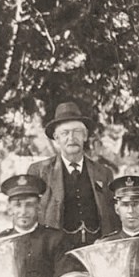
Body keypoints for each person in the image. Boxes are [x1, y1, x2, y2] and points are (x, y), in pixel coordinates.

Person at [28, 102, 119, 246]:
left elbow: (112, 216)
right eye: (65, 133)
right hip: (56, 251)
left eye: (77, 132)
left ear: (85, 136)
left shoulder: (103, 173)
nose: (71, 138)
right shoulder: (40, 171)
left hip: (95, 248)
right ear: (56, 138)